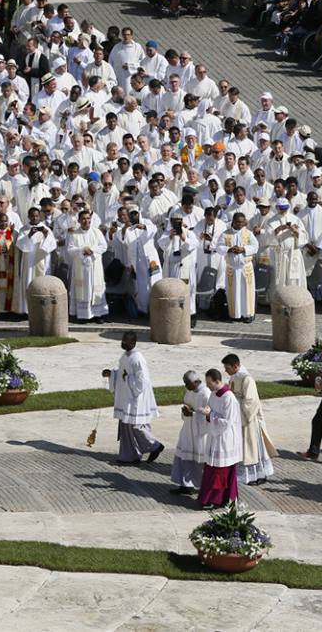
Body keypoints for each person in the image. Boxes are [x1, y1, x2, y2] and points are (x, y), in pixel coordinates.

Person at [102, 331, 163, 465]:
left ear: (133, 342)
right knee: (126, 426)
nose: (123, 343)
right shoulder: (125, 356)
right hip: (126, 397)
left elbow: (143, 381)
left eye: (125, 341)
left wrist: (127, 379)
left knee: (136, 426)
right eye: (122, 340)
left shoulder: (138, 358)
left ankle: (155, 446)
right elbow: (122, 372)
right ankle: (130, 456)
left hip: (136, 398)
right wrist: (111, 374)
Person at [222, 353, 277, 486]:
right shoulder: (234, 377)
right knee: (244, 448)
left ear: (236, 366)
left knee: (252, 448)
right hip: (239, 418)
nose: (225, 370)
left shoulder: (247, 379)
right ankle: (248, 475)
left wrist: (237, 407)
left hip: (249, 420)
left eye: (227, 367)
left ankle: (259, 474)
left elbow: (251, 401)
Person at [198, 367, 243, 509]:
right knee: (211, 469)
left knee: (220, 472)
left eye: (209, 382)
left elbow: (227, 422)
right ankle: (212, 498)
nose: (207, 386)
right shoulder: (214, 394)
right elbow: (211, 410)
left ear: (217, 381)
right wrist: (207, 413)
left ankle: (217, 500)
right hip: (214, 437)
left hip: (225, 439)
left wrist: (209, 415)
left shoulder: (228, 397)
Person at [170, 370, 210, 495]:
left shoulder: (206, 393)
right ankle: (185, 485)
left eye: (187, 383)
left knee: (199, 461)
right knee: (183, 456)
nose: (185, 386)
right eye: (185, 383)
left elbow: (208, 415)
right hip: (188, 429)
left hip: (200, 433)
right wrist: (185, 411)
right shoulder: (189, 391)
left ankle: (202, 486)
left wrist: (192, 413)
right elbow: (186, 405)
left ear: (196, 382)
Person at [157, 211, 199, 326]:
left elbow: (194, 245)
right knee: (173, 292)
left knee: (186, 292)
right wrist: (170, 237)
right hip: (172, 268)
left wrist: (184, 238)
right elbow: (161, 245)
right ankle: (173, 315)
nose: (176, 223)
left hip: (185, 267)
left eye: (178, 221)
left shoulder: (189, 233)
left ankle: (190, 316)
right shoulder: (167, 234)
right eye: (173, 221)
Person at [66, 210, 108, 322]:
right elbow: (70, 249)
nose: (86, 221)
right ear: (79, 220)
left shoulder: (97, 232)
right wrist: (82, 250)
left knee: (96, 288)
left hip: (95, 266)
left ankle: (97, 314)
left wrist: (92, 250)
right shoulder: (74, 234)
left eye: (88, 218)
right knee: (82, 290)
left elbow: (104, 246)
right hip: (81, 268)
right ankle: (82, 315)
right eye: (84, 219)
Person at [13, 207, 57, 314]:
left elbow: (52, 245)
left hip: (41, 260)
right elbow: (20, 245)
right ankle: (27, 310)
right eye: (32, 215)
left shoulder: (45, 228)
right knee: (28, 282)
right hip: (28, 263)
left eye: (36, 215)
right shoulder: (24, 229)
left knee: (42, 283)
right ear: (28, 216)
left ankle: (41, 309)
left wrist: (46, 235)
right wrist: (29, 235)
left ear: (40, 216)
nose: (34, 218)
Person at [216, 212, 258, 323]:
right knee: (233, 292)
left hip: (245, 268)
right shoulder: (225, 234)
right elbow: (219, 247)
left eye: (242, 222)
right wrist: (229, 249)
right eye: (238, 222)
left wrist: (243, 249)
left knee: (246, 292)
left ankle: (247, 314)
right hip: (232, 268)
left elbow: (255, 246)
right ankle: (235, 314)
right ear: (233, 221)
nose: (240, 224)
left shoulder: (248, 233)